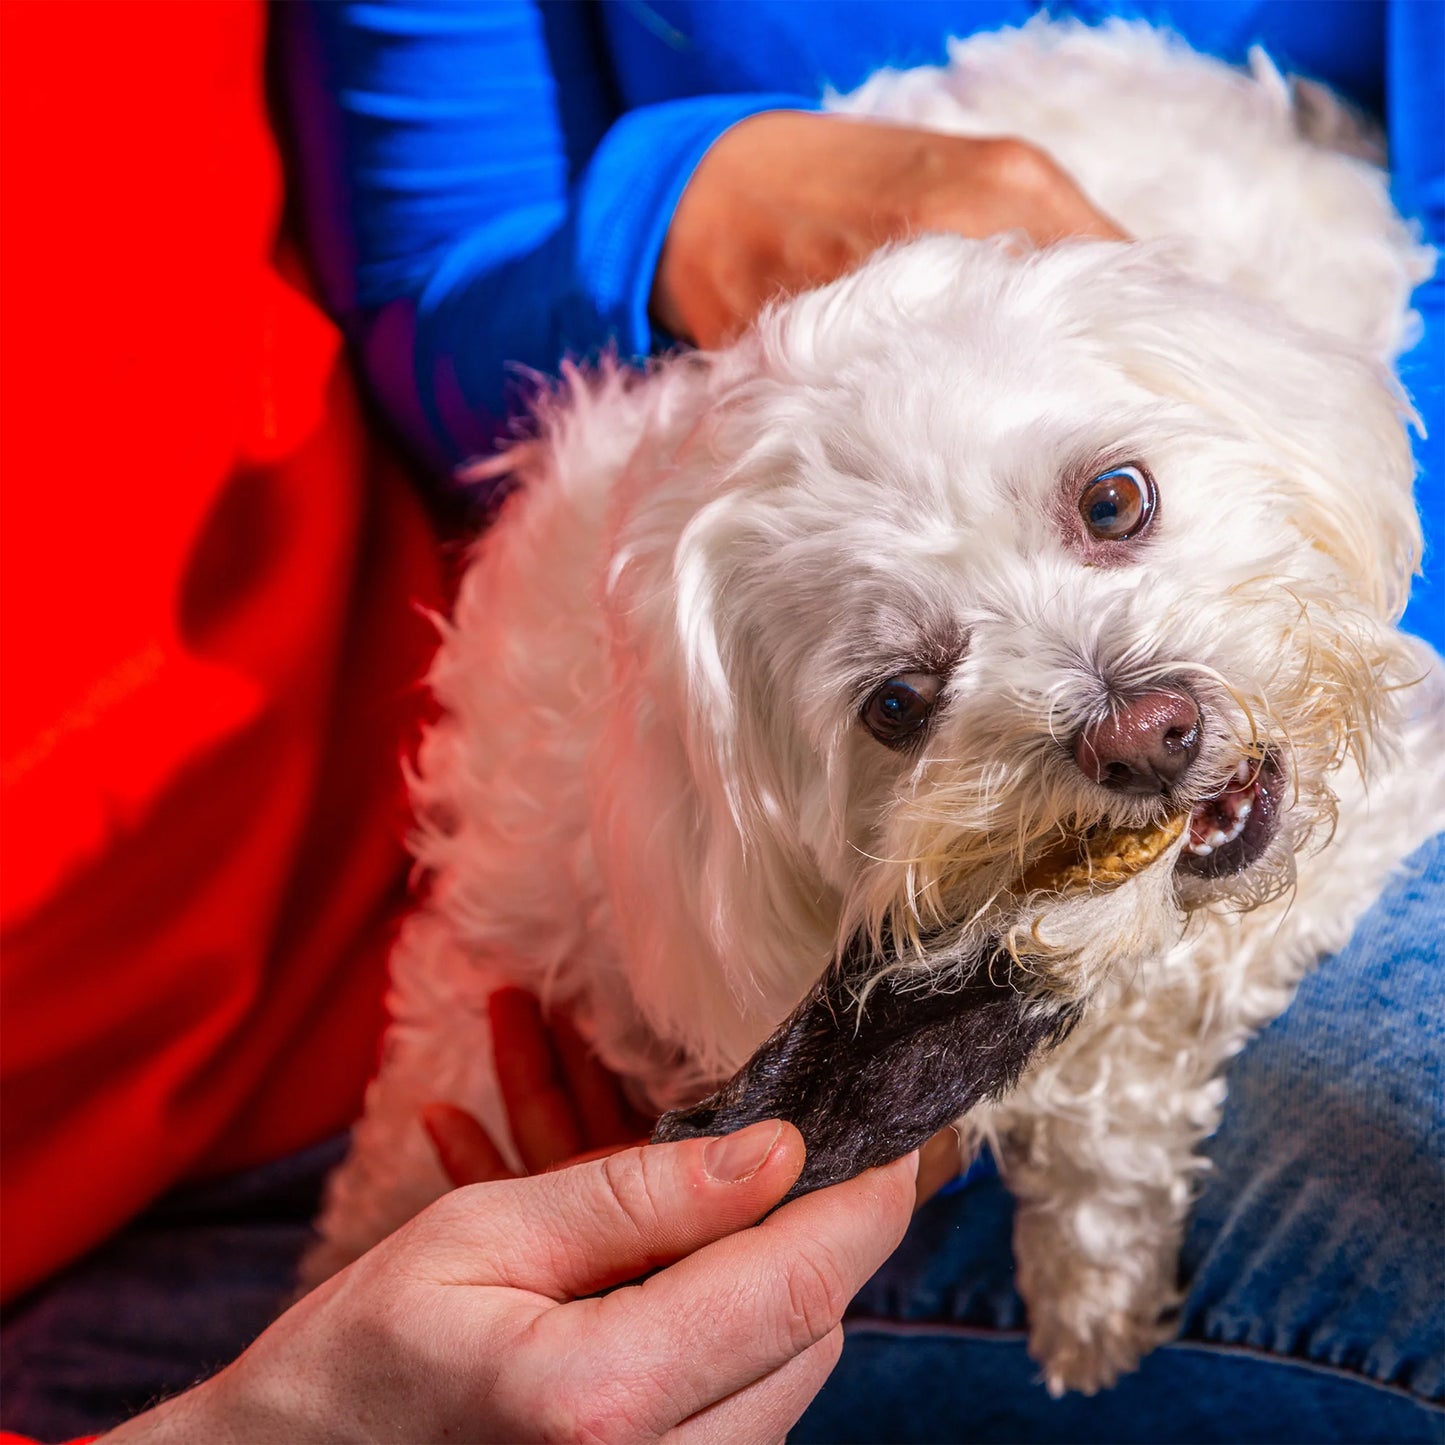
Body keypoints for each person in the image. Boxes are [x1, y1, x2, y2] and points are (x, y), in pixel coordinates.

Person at [1, 3, 1439, 1443]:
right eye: (902, 697)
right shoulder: (634, 752)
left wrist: (1110, 1112)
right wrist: (667, 206)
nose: (1131, 714)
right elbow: (442, 259)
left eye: (1106, 510)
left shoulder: (1202, 320)